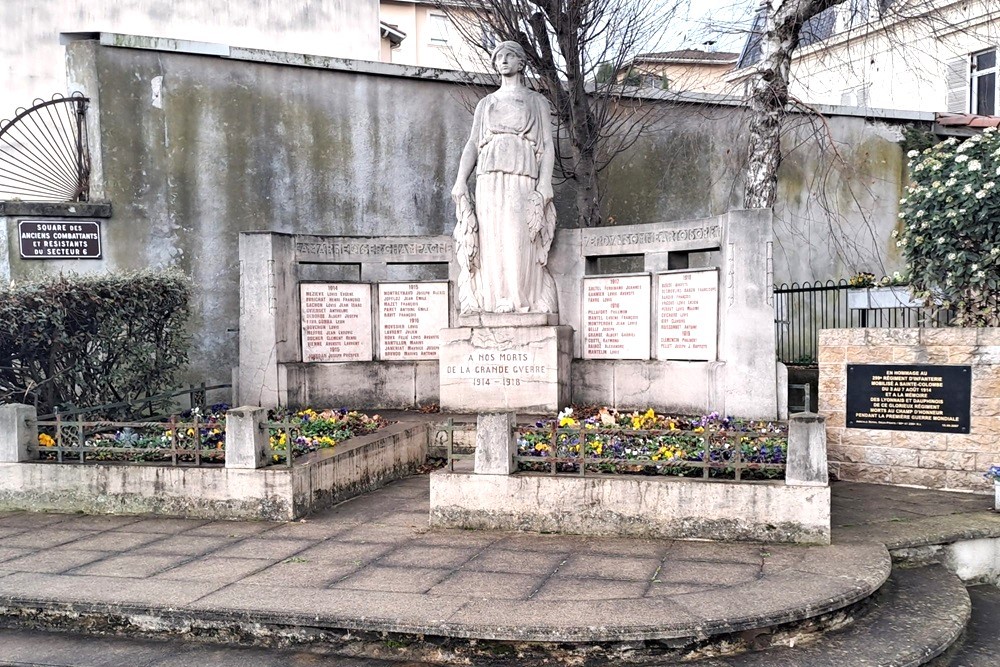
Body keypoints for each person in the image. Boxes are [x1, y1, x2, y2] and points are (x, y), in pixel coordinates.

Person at [451, 41, 558, 315]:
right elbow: (473, 143)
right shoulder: (486, 104)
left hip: (522, 174)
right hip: (488, 175)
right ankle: (495, 299)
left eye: (509, 55)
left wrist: (545, 182)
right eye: (498, 57)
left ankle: (519, 299)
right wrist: (461, 179)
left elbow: (546, 146)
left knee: (516, 234)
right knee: (491, 236)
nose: (503, 60)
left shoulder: (536, 101)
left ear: (521, 62)